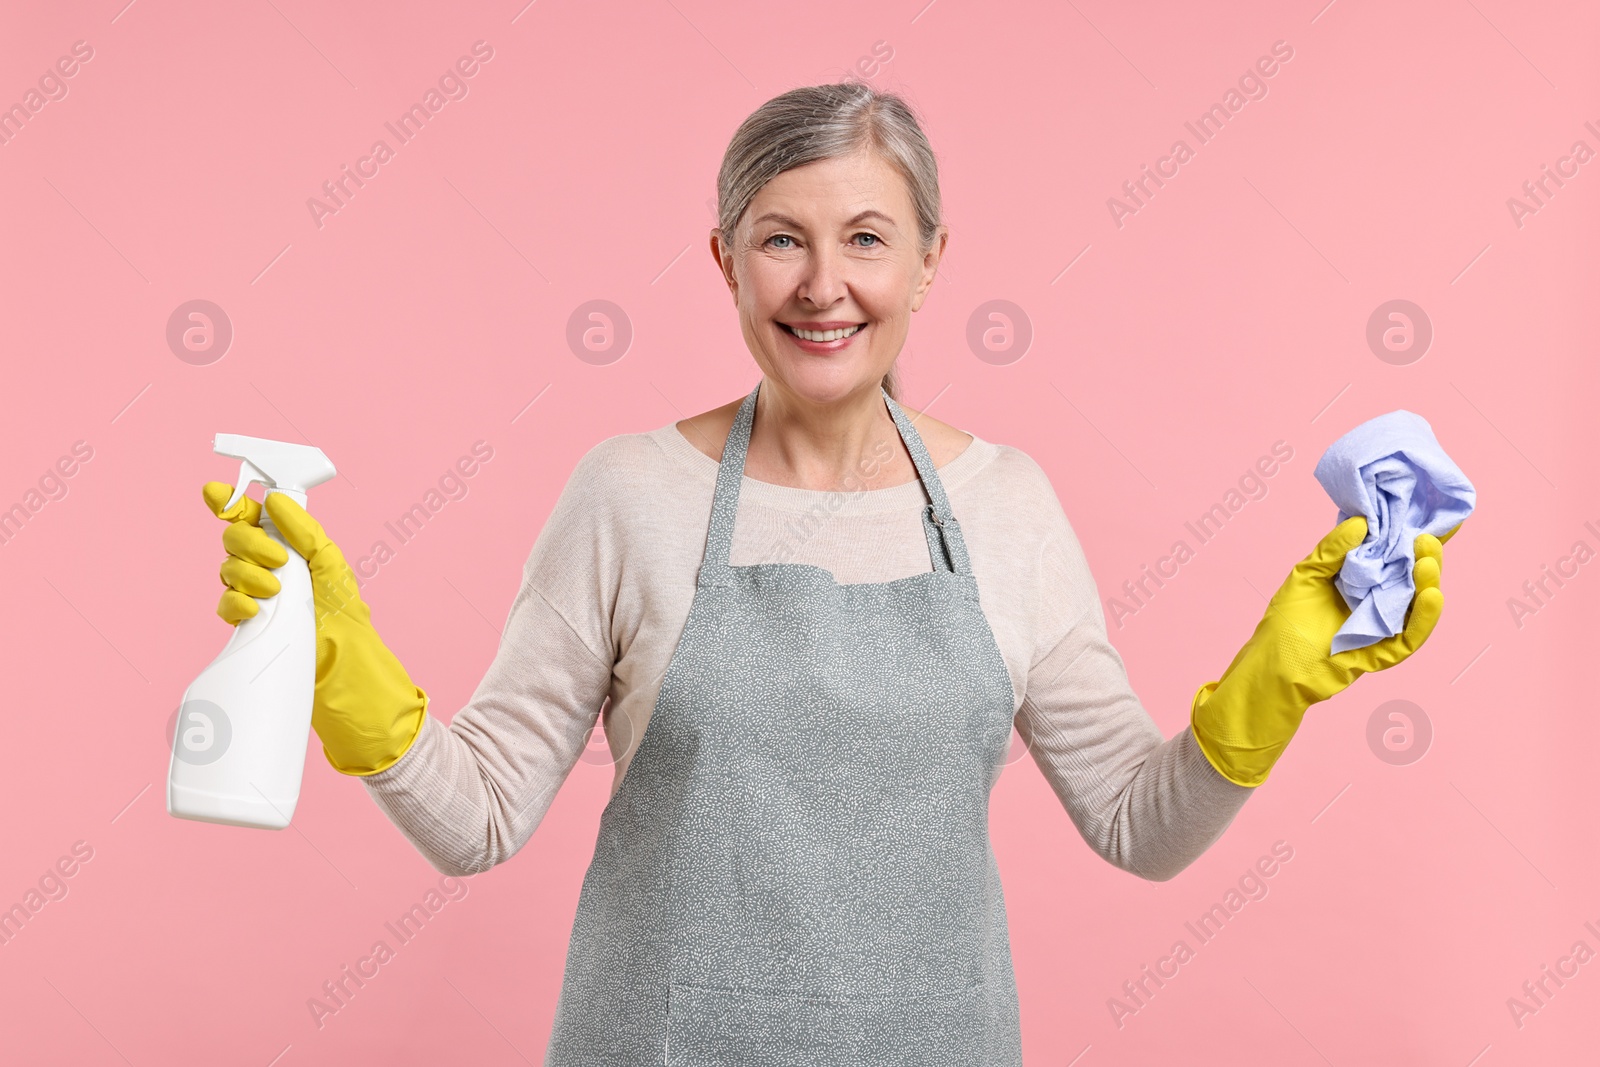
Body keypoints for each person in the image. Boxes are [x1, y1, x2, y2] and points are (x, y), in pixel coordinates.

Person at [199, 83, 1455, 1064]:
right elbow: (476, 820)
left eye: (865, 237)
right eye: (779, 241)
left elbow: (1139, 822)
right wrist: (336, 662)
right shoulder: (629, 493)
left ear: (928, 259)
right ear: (723, 261)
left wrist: (1274, 681)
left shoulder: (1005, 505)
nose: (823, 286)